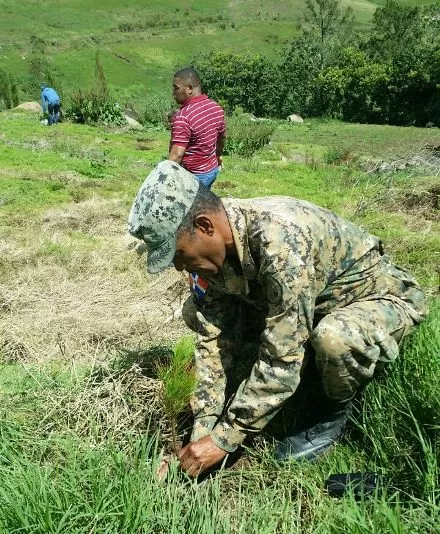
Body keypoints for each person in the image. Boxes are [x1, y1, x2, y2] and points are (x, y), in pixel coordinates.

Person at [127, 161, 427, 477]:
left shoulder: (282, 244)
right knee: (196, 311)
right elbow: (211, 342)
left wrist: (224, 439)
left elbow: (281, 362)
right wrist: (203, 429)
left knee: (334, 339)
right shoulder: (215, 250)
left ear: (204, 226)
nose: (179, 268)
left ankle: (334, 412)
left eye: (179, 254)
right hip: (308, 302)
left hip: (376, 299)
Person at [168, 67, 226, 187]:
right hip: (211, 171)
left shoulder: (184, 116)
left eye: (176, 87)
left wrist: (166, 180)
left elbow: (177, 155)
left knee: (187, 205)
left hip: (193, 177)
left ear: (189, 88)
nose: (173, 92)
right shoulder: (216, 108)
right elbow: (222, 138)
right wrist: (218, 155)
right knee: (203, 202)